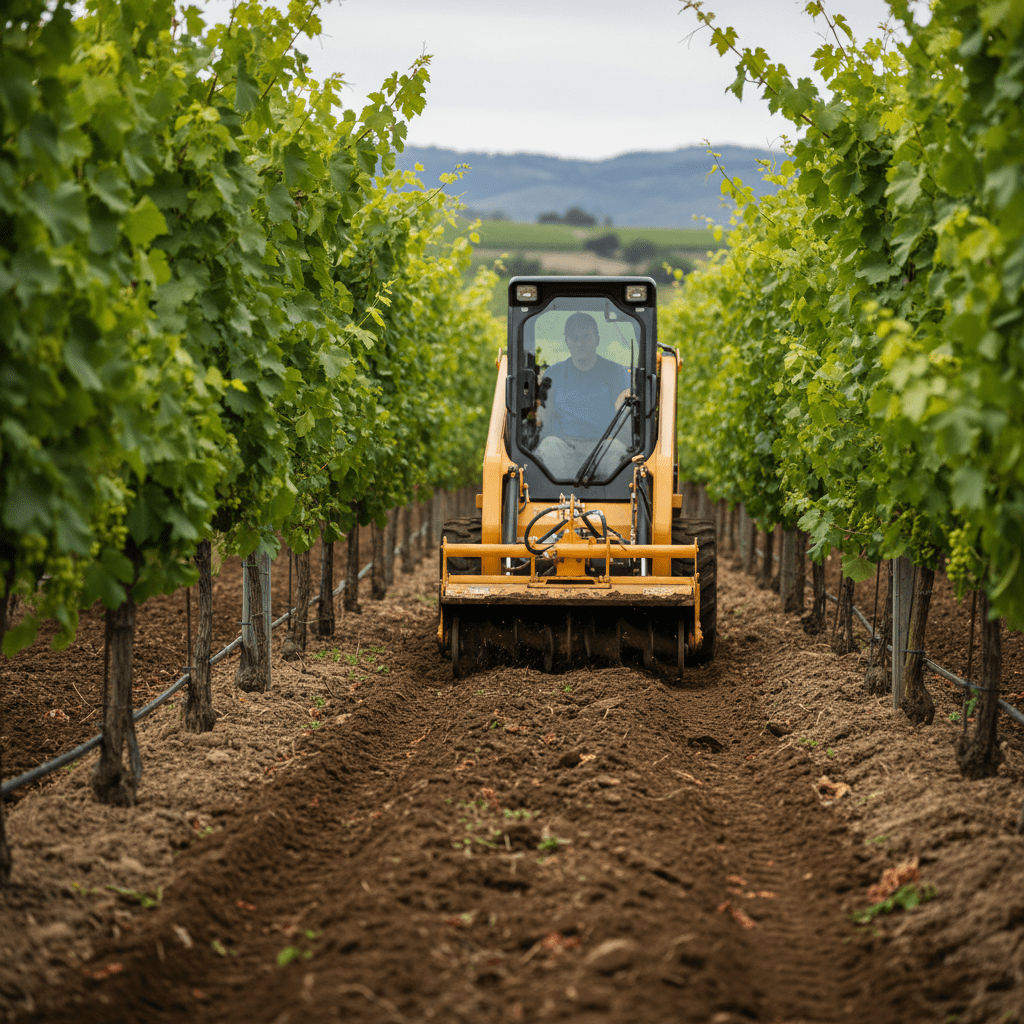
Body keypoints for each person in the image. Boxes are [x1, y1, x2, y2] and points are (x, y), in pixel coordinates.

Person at [533, 312, 631, 481]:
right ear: (567, 342)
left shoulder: (616, 373)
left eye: (586, 337)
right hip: (566, 448)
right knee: (548, 446)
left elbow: (628, 407)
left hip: (603, 448)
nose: (580, 343)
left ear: (597, 340)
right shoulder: (553, 374)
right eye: (574, 338)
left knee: (617, 450)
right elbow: (544, 418)